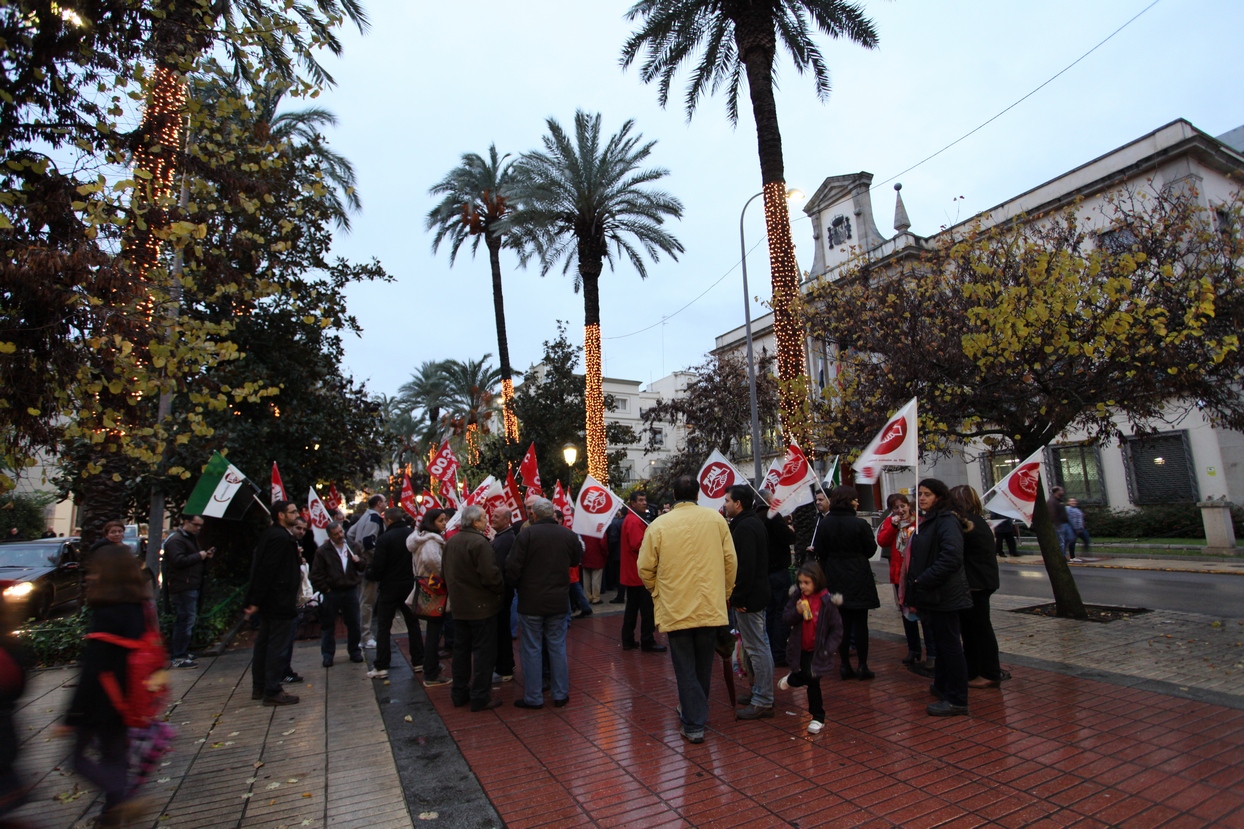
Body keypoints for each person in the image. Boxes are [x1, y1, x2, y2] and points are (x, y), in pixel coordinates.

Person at [638, 475, 737, 745]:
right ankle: (694, 714)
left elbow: (645, 567)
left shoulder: (659, 525)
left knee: (685, 667)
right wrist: (724, 593)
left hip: (676, 605)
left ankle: (693, 722)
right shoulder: (716, 520)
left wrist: (657, 591)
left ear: (673, 493)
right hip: (708, 603)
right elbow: (730, 561)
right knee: (703, 665)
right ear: (698, 493)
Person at [62, 544, 152, 825]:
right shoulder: (140, 607)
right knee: (115, 758)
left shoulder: (105, 612)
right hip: (130, 697)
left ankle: (122, 798)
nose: (90, 576)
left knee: (77, 759)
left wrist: (72, 717)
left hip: (101, 702)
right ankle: (110, 817)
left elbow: (93, 668)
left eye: (94, 571)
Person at [507, 498, 581, 710]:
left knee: (531, 648)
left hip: (531, 600)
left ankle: (533, 697)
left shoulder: (526, 535)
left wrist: (518, 585)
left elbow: (512, 567)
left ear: (535, 515)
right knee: (557, 646)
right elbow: (576, 560)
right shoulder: (568, 535)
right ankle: (560, 694)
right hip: (558, 599)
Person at [908, 479, 973, 717]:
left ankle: (957, 698)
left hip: (944, 593)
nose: (922, 498)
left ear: (939, 496)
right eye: (920, 494)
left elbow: (951, 557)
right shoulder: (930, 520)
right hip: (933, 595)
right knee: (943, 645)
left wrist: (923, 579)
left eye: (927, 494)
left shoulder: (946, 520)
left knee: (950, 646)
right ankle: (943, 686)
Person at [811, 485, 880, 680]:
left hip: (834, 576)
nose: (857, 502)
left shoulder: (825, 524)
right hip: (858, 575)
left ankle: (844, 665)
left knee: (841, 623)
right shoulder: (859, 524)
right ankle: (863, 665)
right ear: (848, 501)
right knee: (860, 624)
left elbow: (821, 552)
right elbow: (870, 550)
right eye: (855, 499)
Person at [442, 505, 504, 712]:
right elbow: (491, 575)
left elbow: (445, 572)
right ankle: (480, 696)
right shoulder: (479, 543)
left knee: (461, 651)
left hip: (460, 606)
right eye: (484, 518)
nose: (487, 521)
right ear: (475, 522)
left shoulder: (451, 542)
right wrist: (499, 591)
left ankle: (458, 693)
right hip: (481, 606)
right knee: (483, 653)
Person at [949, 486, 1009, 690]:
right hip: (981, 582)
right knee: (973, 630)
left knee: (979, 630)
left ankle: (989, 672)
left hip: (975, 583)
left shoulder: (968, 524)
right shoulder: (978, 521)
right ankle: (975, 670)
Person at [244, 500, 302, 706]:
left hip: (273, 601)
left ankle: (260, 686)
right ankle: (272, 690)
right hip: (279, 601)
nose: (297, 514)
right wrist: (255, 600)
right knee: (276, 647)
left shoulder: (276, 535)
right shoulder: (279, 537)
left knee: (264, 644)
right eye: (292, 512)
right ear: (281, 515)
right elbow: (267, 570)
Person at [724, 485, 773, 720]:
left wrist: (739, 597)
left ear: (738, 504)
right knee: (754, 647)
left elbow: (745, 567)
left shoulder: (745, 527)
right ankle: (758, 692)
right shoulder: (749, 523)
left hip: (750, 598)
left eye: (727, 501)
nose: (724, 505)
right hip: (753, 595)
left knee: (757, 647)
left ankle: (763, 699)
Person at [778, 561, 843, 735]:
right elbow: (786, 618)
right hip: (801, 647)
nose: (803, 586)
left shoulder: (826, 602)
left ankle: (817, 716)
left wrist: (828, 648)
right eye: (800, 582)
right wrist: (797, 612)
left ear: (816, 581)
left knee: (813, 679)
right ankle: (817, 714)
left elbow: (836, 628)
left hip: (818, 649)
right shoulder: (797, 598)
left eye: (806, 582)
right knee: (810, 678)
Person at [364, 508, 419, 681]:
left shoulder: (384, 539)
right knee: (413, 624)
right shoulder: (413, 535)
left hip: (389, 588)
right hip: (410, 586)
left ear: (388, 520)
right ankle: (419, 661)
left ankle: (381, 665)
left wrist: (369, 573)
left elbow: (378, 567)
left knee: (383, 627)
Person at [877, 493, 930, 668]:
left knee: (924, 613)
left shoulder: (919, 522)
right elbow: (882, 541)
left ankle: (931, 651)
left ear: (909, 506)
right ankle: (913, 648)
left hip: (917, 573)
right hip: (900, 573)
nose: (900, 510)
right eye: (896, 508)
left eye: (903, 506)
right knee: (907, 614)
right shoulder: (891, 522)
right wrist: (892, 526)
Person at [309, 521, 367, 668]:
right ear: (330, 536)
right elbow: (316, 574)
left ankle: (354, 651)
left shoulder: (353, 546)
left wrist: (358, 561)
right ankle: (328, 655)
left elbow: (363, 565)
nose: (340, 536)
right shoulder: (323, 551)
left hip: (350, 589)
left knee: (353, 622)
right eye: (336, 534)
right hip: (332, 591)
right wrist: (326, 589)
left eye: (341, 532)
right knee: (328, 624)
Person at [407, 509, 452, 687]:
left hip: (425, 586)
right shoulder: (431, 540)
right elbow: (432, 560)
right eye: (441, 520)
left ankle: (430, 664)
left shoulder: (421, 538)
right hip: (434, 588)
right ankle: (431, 673)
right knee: (434, 630)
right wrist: (445, 574)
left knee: (433, 629)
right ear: (432, 522)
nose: (444, 523)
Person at [161, 514, 212, 668]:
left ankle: (182, 652)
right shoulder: (177, 540)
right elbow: (178, 561)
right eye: (196, 525)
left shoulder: (188, 538)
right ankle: (178, 656)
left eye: (200, 526)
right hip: (184, 585)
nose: (198, 528)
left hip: (190, 583)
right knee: (185, 619)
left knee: (187, 619)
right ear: (186, 522)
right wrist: (199, 556)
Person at [620, 491, 665, 652]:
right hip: (638, 574)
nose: (644, 502)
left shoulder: (633, 519)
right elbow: (638, 544)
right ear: (632, 503)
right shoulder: (634, 521)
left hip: (633, 573)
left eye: (645, 499)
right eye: (640, 500)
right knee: (646, 610)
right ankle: (647, 640)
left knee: (632, 609)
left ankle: (628, 639)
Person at [758, 490, 796, 668]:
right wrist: (790, 530)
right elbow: (789, 538)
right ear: (768, 500)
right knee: (782, 612)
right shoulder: (773, 515)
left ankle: (770, 650)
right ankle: (779, 652)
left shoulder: (754, 517)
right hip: (778, 572)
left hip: (764, 572)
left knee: (770, 613)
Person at [349, 494, 388, 649]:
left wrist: (356, 553)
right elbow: (368, 542)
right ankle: (364, 636)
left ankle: (360, 634)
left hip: (362, 564)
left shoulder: (364, 517)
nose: (386, 504)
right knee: (367, 602)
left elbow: (351, 534)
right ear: (379, 504)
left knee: (363, 600)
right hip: (369, 565)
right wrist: (376, 556)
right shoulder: (374, 519)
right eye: (384, 501)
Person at [490, 509, 519, 682]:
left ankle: (505, 667)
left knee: (501, 630)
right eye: (492, 516)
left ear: (507, 520)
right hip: (504, 591)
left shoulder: (504, 540)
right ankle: (507, 664)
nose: (492, 519)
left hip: (502, 592)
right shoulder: (503, 537)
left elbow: (498, 570)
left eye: (497, 517)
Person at [1047, 486, 1074, 560]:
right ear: (1056, 492)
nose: (1063, 491)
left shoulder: (1060, 501)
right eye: (1061, 490)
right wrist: (1056, 524)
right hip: (1059, 524)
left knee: (1070, 538)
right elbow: (1052, 513)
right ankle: (1062, 556)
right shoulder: (1052, 501)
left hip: (1065, 523)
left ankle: (1062, 554)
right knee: (1061, 542)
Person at [605, 509, 626, 603]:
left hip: (617, 554)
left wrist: (610, 550)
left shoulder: (616, 523)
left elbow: (613, 539)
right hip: (626, 554)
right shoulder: (625, 522)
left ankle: (620, 596)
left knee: (619, 576)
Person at [581, 533, 607, 604]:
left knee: (586, 579)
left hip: (585, 556)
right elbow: (603, 545)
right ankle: (596, 597)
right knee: (596, 579)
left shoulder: (584, 531)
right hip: (597, 556)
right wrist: (606, 554)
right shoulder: (599, 531)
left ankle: (587, 597)